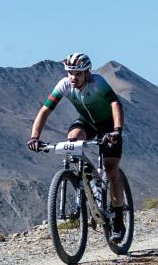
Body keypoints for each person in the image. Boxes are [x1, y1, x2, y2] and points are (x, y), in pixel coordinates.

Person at [27, 52, 127, 241]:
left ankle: (118, 221)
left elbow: (115, 103)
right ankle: (82, 177)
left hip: (107, 124)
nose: (73, 77)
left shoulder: (98, 83)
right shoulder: (64, 85)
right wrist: (34, 137)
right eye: (70, 73)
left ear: (87, 73)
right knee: (72, 138)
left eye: (78, 74)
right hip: (87, 122)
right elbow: (45, 110)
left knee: (111, 169)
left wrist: (116, 130)